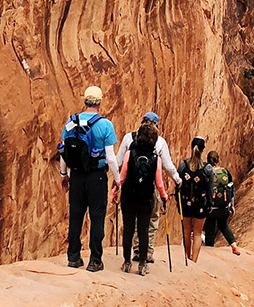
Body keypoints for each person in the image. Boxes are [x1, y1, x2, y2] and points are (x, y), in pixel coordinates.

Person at [58, 85, 118, 271]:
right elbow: (110, 157)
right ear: (100, 102)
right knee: (97, 216)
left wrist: (63, 175)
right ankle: (95, 260)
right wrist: (117, 178)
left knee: (76, 215)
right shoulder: (105, 125)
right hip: (96, 176)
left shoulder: (71, 122)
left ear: (85, 101)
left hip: (76, 175)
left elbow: (63, 151)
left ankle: (73, 257)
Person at [113, 113, 179, 263]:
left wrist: (116, 183)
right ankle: (147, 252)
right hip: (150, 187)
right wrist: (177, 179)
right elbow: (167, 166)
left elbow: (118, 161)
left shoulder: (129, 138)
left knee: (132, 222)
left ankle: (135, 250)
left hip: (129, 186)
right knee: (151, 219)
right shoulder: (159, 142)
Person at [176, 137, 214, 262]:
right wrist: (210, 204)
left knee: (187, 232)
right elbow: (210, 189)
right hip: (201, 204)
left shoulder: (183, 165)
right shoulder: (207, 168)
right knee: (197, 233)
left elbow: (178, 185)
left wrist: (178, 201)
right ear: (202, 150)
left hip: (186, 203)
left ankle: (187, 257)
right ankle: (194, 260)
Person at [201, 150, 241, 254]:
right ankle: (234, 246)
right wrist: (232, 206)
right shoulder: (226, 172)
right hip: (224, 207)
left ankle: (210, 252)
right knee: (223, 226)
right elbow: (230, 191)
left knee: (209, 230)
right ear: (218, 160)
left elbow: (203, 191)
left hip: (211, 208)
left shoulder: (206, 173)